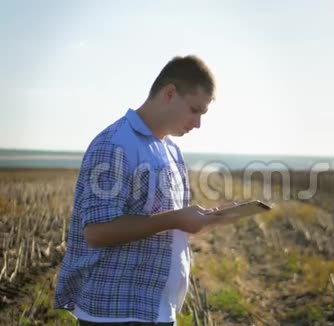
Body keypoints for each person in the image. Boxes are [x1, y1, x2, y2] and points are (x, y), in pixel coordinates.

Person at [54, 55, 236, 325]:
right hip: (115, 311)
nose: (198, 123)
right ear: (170, 93)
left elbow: (158, 223)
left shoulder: (171, 151)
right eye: (195, 110)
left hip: (155, 309)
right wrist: (176, 219)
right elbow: (97, 231)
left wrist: (198, 221)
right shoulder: (115, 144)